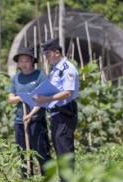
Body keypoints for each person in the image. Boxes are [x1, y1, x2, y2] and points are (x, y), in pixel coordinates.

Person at [34, 38, 79, 173]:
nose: (47, 58)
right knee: (60, 148)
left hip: (65, 113)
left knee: (65, 149)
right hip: (56, 114)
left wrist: (47, 98)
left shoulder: (67, 69)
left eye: (48, 55)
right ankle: (64, 180)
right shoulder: (55, 70)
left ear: (57, 53)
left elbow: (67, 92)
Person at [8, 46, 51, 176]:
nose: (23, 64)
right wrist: (21, 97)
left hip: (36, 120)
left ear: (32, 61)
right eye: (21, 61)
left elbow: (42, 99)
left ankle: (47, 178)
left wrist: (31, 114)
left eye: (26, 61)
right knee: (23, 152)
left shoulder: (40, 76)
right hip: (20, 120)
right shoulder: (16, 78)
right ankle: (27, 177)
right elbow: (10, 99)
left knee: (41, 150)